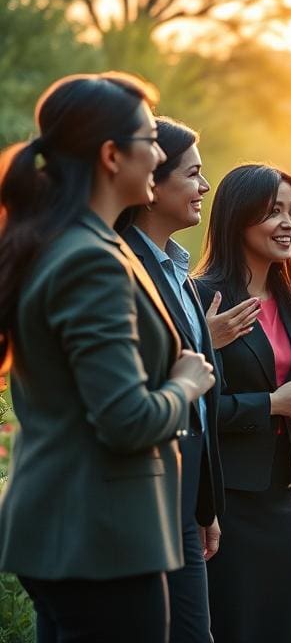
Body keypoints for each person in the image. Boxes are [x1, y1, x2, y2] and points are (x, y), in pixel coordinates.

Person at [0, 73, 214, 642]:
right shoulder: (88, 260)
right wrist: (186, 386)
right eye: (151, 141)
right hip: (101, 538)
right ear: (112, 155)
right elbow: (125, 419)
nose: (160, 155)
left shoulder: (69, 242)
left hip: (76, 535)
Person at [117, 117, 256, 642]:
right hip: (144, 494)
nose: (204, 187)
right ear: (153, 183)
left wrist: (205, 505)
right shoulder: (121, 268)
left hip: (185, 495)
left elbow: (200, 403)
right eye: (193, 175)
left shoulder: (178, 273)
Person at [195, 163, 291, 643]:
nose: (288, 223)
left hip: (279, 495)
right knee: (235, 624)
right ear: (238, 218)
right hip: (224, 502)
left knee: (279, 624)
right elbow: (196, 407)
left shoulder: (287, 297)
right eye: (273, 211)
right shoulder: (203, 298)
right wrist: (271, 404)